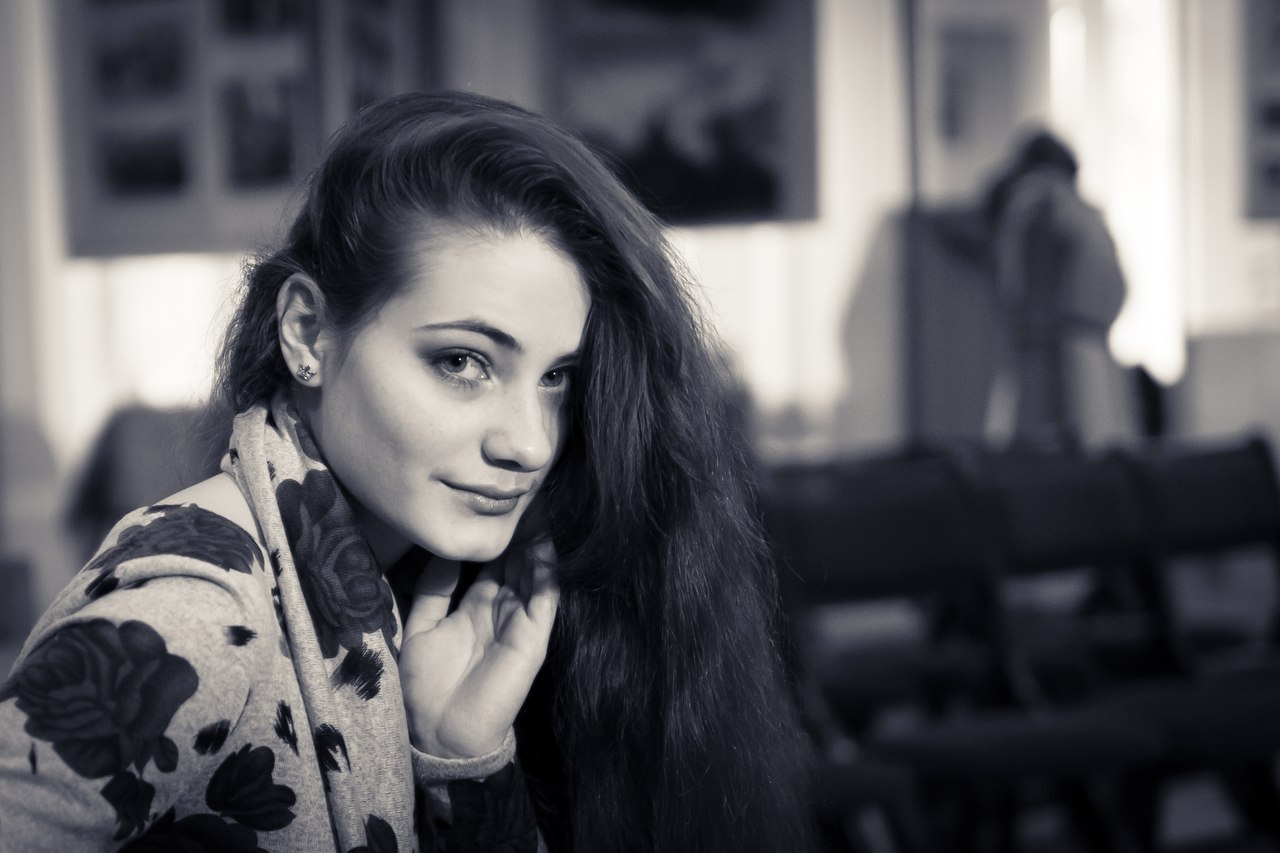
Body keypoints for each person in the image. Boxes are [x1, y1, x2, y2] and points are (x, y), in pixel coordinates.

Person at [0, 92, 814, 851]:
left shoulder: (415, 591)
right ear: (308, 334)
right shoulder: (199, 608)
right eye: (462, 361)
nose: (530, 443)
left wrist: (459, 756)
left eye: (556, 378)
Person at [981, 130, 1134, 450]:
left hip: (1055, 347)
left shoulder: (1042, 203)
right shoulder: (1065, 208)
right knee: (1091, 449)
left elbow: (1015, 285)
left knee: (1047, 455)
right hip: (1076, 343)